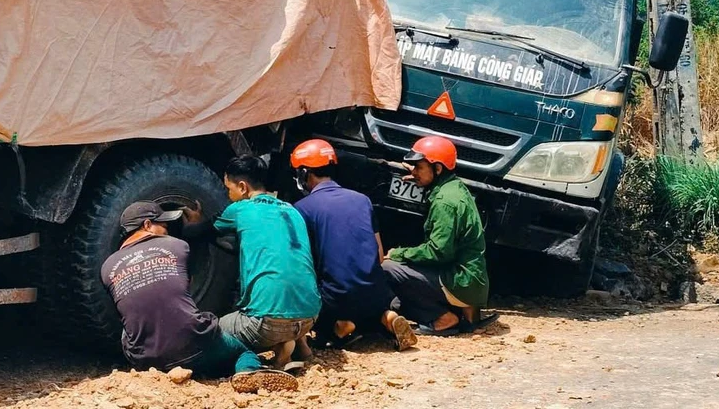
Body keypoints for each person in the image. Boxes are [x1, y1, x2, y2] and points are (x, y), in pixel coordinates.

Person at [100, 201, 297, 393]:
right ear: (147, 225)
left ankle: (175, 367)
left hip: (145, 357)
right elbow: (185, 283)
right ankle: (248, 372)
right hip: (193, 343)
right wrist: (195, 226)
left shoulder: (107, 267)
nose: (167, 229)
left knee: (129, 326)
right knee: (242, 351)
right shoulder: (177, 246)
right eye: (164, 225)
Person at [189, 155, 320, 370]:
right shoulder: (291, 210)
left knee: (210, 334)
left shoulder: (240, 209)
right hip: (310, 316)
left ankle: (275, 348)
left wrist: (194, 222)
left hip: (267, 323)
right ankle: (296, 343)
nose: (228, 196)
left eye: (228, 189)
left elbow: (203, 232)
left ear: (242, 187)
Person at [289, 139, 417, 351]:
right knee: (365, 301)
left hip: (336, 299)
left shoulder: (302, 208)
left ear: (305, 173)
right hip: (376, 294)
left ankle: (339, 325)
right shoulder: (362, 200)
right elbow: (380, 255)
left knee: (308, 292)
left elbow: (302, 263)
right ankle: (386, 316)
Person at [381, 136, 497, 335]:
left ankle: (444, 319)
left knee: (388, 267)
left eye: (419, 167)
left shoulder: (444, 202)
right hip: (468, 282)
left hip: (461, 282)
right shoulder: (453, 187)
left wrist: (398, 253)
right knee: (395, 304)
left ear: (438, 169)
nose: (414, 172)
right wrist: (421, 177)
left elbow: (438, 252)